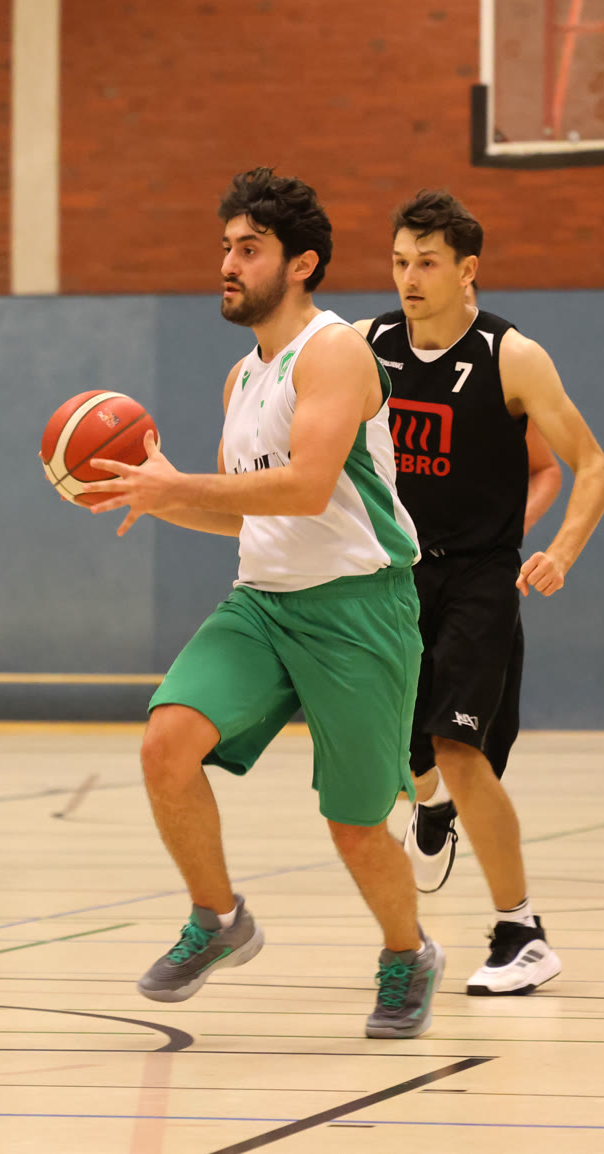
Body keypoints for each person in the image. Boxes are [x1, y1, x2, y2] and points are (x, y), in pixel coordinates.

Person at [84, 168, 440, 1039]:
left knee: (355, 827)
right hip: (262, 604)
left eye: (249, 249)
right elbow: (246, 511)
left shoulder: (334, 352)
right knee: (167, 743)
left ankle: (408, 954)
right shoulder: (241, 378)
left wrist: (177, 484)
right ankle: (217, 918)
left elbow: (308, 488)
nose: (228, 264)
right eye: (226, 248)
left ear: (302, 262)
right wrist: (156, 497)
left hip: (358, 608)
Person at [359, 189, 604, 995]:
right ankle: (430, 811)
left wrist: (560, 552)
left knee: (460, 751)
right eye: (400, 262)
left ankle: (522, 932)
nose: (409, 278)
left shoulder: (513, 357)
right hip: (393, 578)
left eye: (427, 263)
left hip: (479, 578)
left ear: (468, 270)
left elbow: (592, 466)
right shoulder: (365, 345)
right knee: (405, 762)